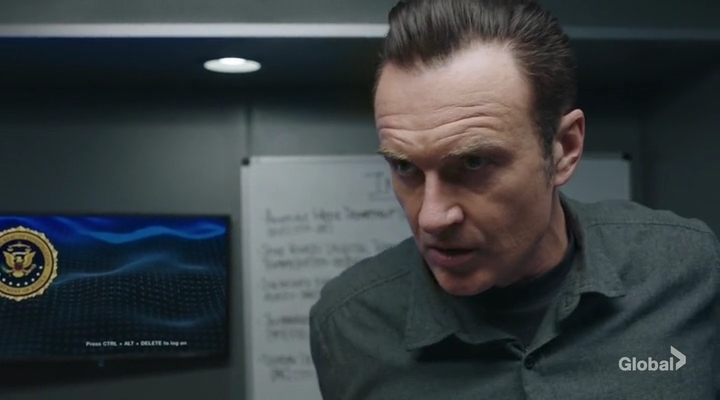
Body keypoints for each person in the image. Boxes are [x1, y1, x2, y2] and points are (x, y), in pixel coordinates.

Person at [309, 0, 719, 398]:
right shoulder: (350, 324)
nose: (432, 217)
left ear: (564, 149)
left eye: (473, 163)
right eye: (405, 167)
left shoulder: (688, 271)